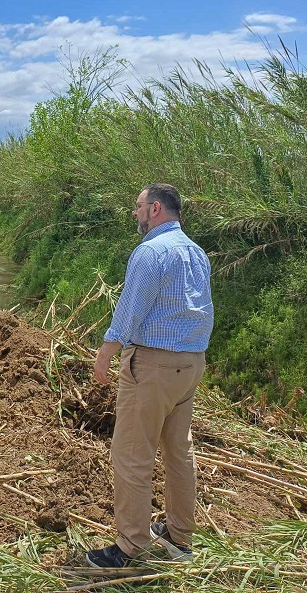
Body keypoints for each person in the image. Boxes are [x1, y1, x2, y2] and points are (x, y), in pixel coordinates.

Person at [87, 183, 213, 569]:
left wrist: (107, 351)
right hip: (190, 365)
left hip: (154, 367)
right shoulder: (196, 252)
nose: (136, 213)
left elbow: (131, 309)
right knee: (179, 451)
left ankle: (130, 547)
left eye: (138, 207)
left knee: (131, 455)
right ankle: (179, 536)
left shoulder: (150, 252)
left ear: (155, 209)